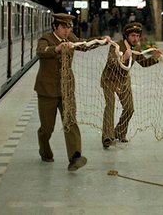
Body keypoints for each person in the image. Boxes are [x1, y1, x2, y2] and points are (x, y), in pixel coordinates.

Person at [34, 13, 111, 171]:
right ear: (55, 26)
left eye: (69, 27)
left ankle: (75, 157)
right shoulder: (46, 39)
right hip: (47, 91)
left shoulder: (71, 38)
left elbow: (84, 45)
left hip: (67, 89)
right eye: (63, 27)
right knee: (47, 128)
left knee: (70, 122)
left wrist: (102, 40)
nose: (67, 30)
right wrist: (56, 48)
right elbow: (41, 51)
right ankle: (45, 150)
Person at [100, 22, 162, 148]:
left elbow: (143, 63)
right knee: (110, 106)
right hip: (109, 80)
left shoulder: (136, 48)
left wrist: (154, 58)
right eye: (133, 35)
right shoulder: (116, 46)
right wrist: (123, 58)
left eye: (138, 36)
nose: (136, 38)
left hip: (123, 80)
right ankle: (107, 137)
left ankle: (119, 132)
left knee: (129, 109)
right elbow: (111, 63)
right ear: (126, 36)